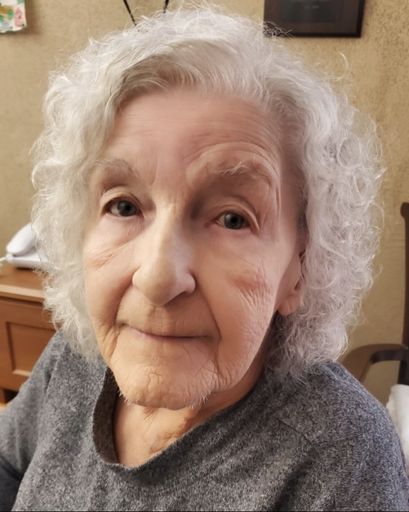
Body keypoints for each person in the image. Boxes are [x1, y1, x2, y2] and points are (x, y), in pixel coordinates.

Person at [1, 6, 408, 511]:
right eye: (123, 206)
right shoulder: (74, 356)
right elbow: (8, 463)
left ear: (300, 267)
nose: (157, 277)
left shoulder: (343, 458)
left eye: (233, 219)